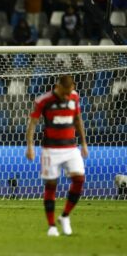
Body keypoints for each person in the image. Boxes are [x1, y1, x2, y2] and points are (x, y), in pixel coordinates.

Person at [25, 75, 88, 237]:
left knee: (79, 179)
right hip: (51, 150)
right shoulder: (43, 100)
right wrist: (30, 146)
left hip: (71, 148)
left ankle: (65, 216)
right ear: (57, 87)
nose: (68, 96)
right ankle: (52, 226)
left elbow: (78, 119)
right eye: (65, 93)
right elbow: (32, 123)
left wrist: (84, 143)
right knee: (51, 186)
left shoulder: (74, 96)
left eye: (70, 92)